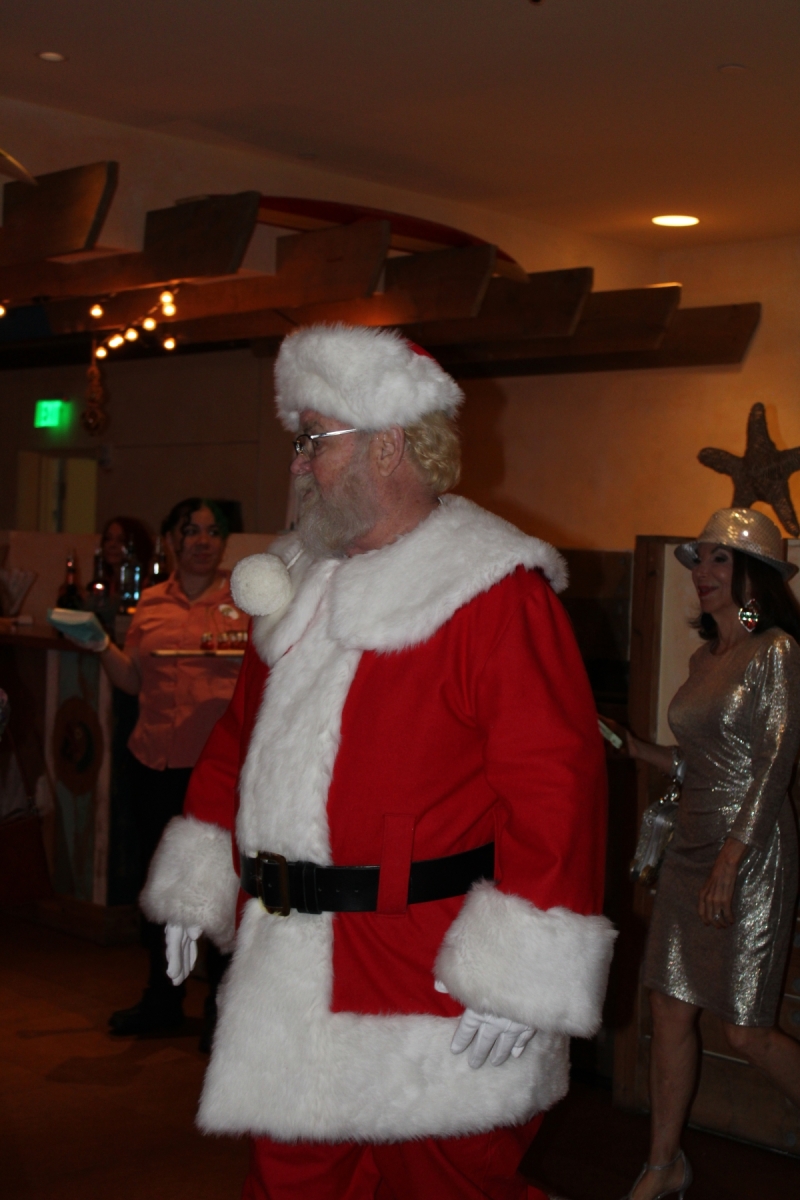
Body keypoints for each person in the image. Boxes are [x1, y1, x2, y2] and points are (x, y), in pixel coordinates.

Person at [141, 324, 616, 1200]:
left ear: (388, 445)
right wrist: (198, 881)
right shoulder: (298, 585)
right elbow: (237, 741)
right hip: (285, 977)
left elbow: (558, 787)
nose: (298, 464)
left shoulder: (492, 593)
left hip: (427, 982)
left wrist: (521, 976)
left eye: (313, 440)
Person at [620, 508, 800, 1200]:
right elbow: (695, 763)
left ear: (755, 575)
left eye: (719, 559)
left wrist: (730, 860)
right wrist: (635, 747)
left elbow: (773, 765)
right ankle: (663, 1166)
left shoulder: (773, 649)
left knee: (746, 1030)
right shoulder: (706, 659)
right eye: (699, 559)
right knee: (669, 1008)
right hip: (691, 846)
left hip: (748, 853)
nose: (702, 572)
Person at [89, 498, 249, 1037]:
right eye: (191, 531)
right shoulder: (152, 602)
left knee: (220, 886)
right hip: (153, 761)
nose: (202, 541)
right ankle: (161, 999)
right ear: (172, 540)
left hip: (218, 773)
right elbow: (132, 680)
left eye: (212, 532)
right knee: (157, 883)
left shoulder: (244, 600)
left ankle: (221, 1011)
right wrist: (100, 645)